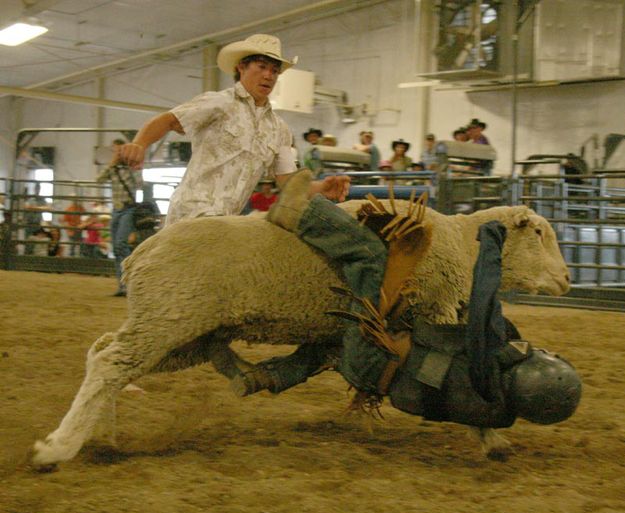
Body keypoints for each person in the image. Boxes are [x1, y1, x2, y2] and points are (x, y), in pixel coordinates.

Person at [231, 189, 582, 429]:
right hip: (376, 376)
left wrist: (491, 243)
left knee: (369, 262)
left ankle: (301, 211)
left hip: (377, 361)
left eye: (544, 357)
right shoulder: (496, 411)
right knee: (332, 347)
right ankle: (266, 377)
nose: (539, 350)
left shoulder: (485, 363)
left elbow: (482, 304)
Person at [119, 34, 349, 226]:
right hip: (190, 215)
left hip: (227, 223)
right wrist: (139, 144)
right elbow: (169, 120)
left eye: (274, 70)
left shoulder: (280, 130)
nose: (268, 75)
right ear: (241, 67)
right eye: (261, 67)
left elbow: (287, 181)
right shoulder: (218, 104)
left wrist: (319, 188)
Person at [97, 139, 143, 296]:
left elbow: (139, 184)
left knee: (121, 245)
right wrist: (112, 163)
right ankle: (123, 285)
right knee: (117, 248)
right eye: (115, 151)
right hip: (116, 210)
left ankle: (129, 282)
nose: (117, 154)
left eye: (119, 151)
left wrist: (132, 167)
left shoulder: (132, 167)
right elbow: (99, 180)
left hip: (128, 209)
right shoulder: (113, 169)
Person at [23, 183, 52, 255]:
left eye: (38, 188)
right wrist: (39, 208)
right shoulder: (31, 198)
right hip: (29, 224)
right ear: (34, 189)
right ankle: (27, 258)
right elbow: (26, 207)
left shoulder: (42, 199)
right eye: (36, 188)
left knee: (36, 243)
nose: (37, 190)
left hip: (37, 224)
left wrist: (34, 208)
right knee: (28, 242)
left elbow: (48, 208)